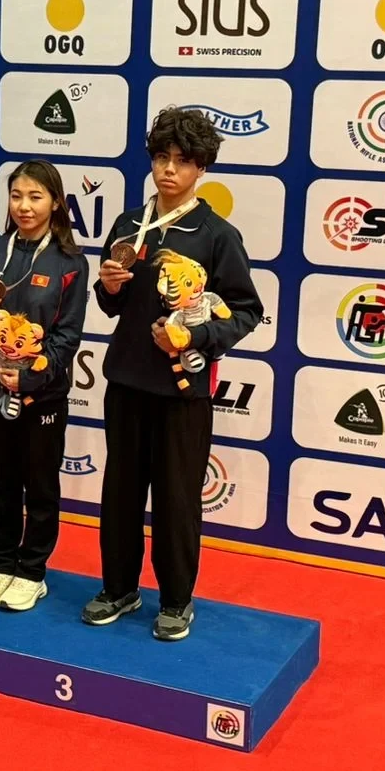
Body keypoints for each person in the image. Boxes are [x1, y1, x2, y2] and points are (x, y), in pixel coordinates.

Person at [83, 107, 263, 641]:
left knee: (177, 500)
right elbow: (113, 306)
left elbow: (246, 311)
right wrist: (107, 288)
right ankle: (119, 588)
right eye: (162, 157)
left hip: (183, 391)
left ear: (201, 168)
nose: (169, 170)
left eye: (182, 161)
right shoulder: (128, 225)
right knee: (120, 493)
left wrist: (194, 338)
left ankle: (177, 600)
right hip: (126, 382)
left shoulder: (217, 235)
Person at [0, 160, 88, 612]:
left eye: (36, 197)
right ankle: (1, 564)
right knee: (1, 483)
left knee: (39, 486)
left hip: (43, 395)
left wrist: (31, 375)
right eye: (16, 196)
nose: (24, 206)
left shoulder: (70, 262)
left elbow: (67, 336)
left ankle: (32, 571)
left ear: (55, 202)